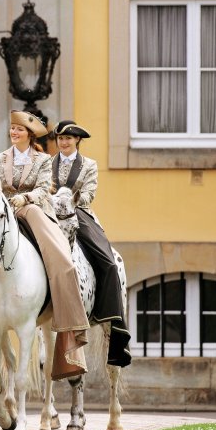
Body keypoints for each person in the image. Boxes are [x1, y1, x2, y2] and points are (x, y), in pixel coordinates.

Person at [0, 110, 90, 380]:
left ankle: (64, 290)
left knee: (61, 257)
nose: (14, 132)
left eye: (19, 129)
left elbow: (45, 189)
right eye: (12, 128)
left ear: (30, 135)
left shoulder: (43, 160)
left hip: (32, 209)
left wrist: (25, 198)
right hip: (3, 212)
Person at [51, 120, 131, 367]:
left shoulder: (89, 165)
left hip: (79, 213)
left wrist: (69, 199)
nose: (63, 142)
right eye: (60, 138)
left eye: (68, 138)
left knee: (108, 262)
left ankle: (110, 314)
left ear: (77, 140)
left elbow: (89, 193)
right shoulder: (47, 163)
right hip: (50, 212)